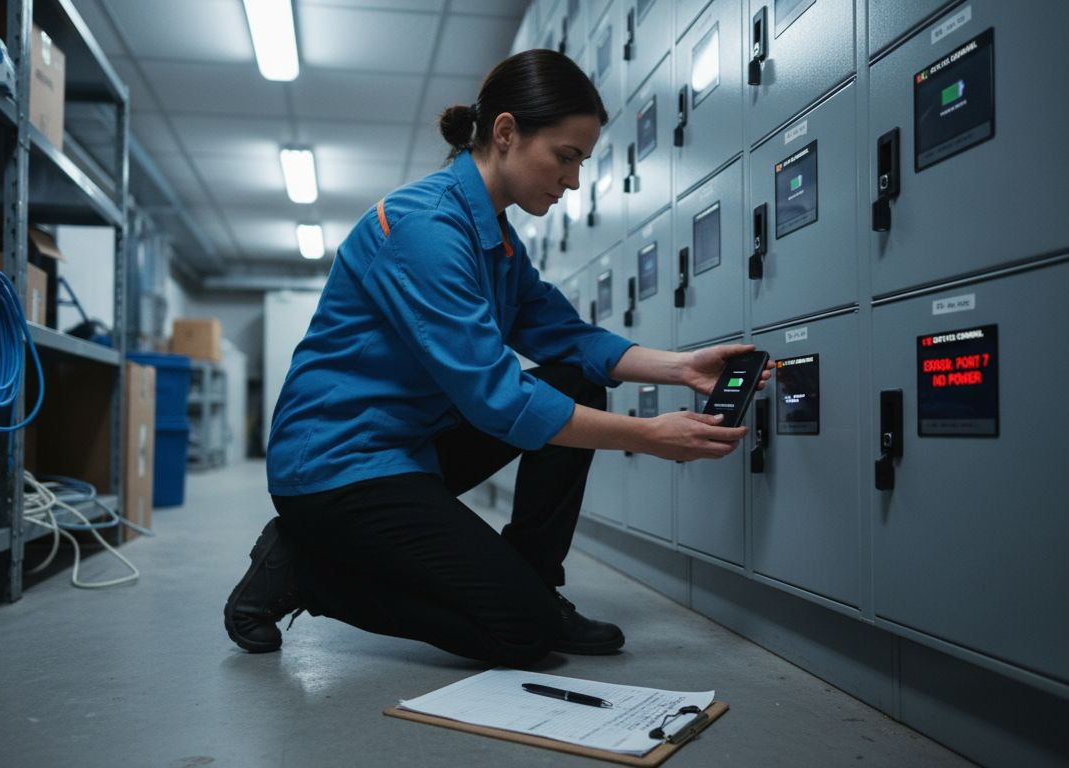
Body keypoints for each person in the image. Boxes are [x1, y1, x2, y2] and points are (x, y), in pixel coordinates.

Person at [224, 49, 771, 667]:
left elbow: (566, 338)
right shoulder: (425, 227)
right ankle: (304, 570)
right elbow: (498, 397)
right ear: (506, 133)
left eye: (582, 162)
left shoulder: (496, 240)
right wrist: (649, 436)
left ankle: (535, 581)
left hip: (411, 448)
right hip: (337, 464)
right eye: (566, 157)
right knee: (519, 635)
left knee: (576, 380)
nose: (573, 181)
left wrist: (680, 367)